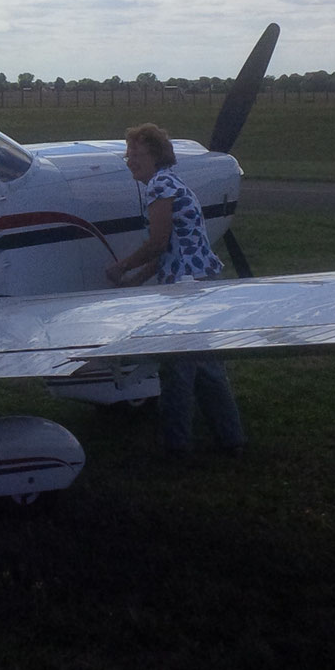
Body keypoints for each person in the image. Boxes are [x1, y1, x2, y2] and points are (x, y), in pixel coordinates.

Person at [105, 122, 246, 456]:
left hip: (186, 288)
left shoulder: (159, 187)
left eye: (135, 153)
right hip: (200, 280)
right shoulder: (172, 183)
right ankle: (231, 440)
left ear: (154, 155)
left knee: (178, 371)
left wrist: (121, 267)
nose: (129, 160)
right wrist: (134, 283)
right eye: (128, 154)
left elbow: (157, 243)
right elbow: (172, 249)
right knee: (207, 368)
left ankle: (176, 446)